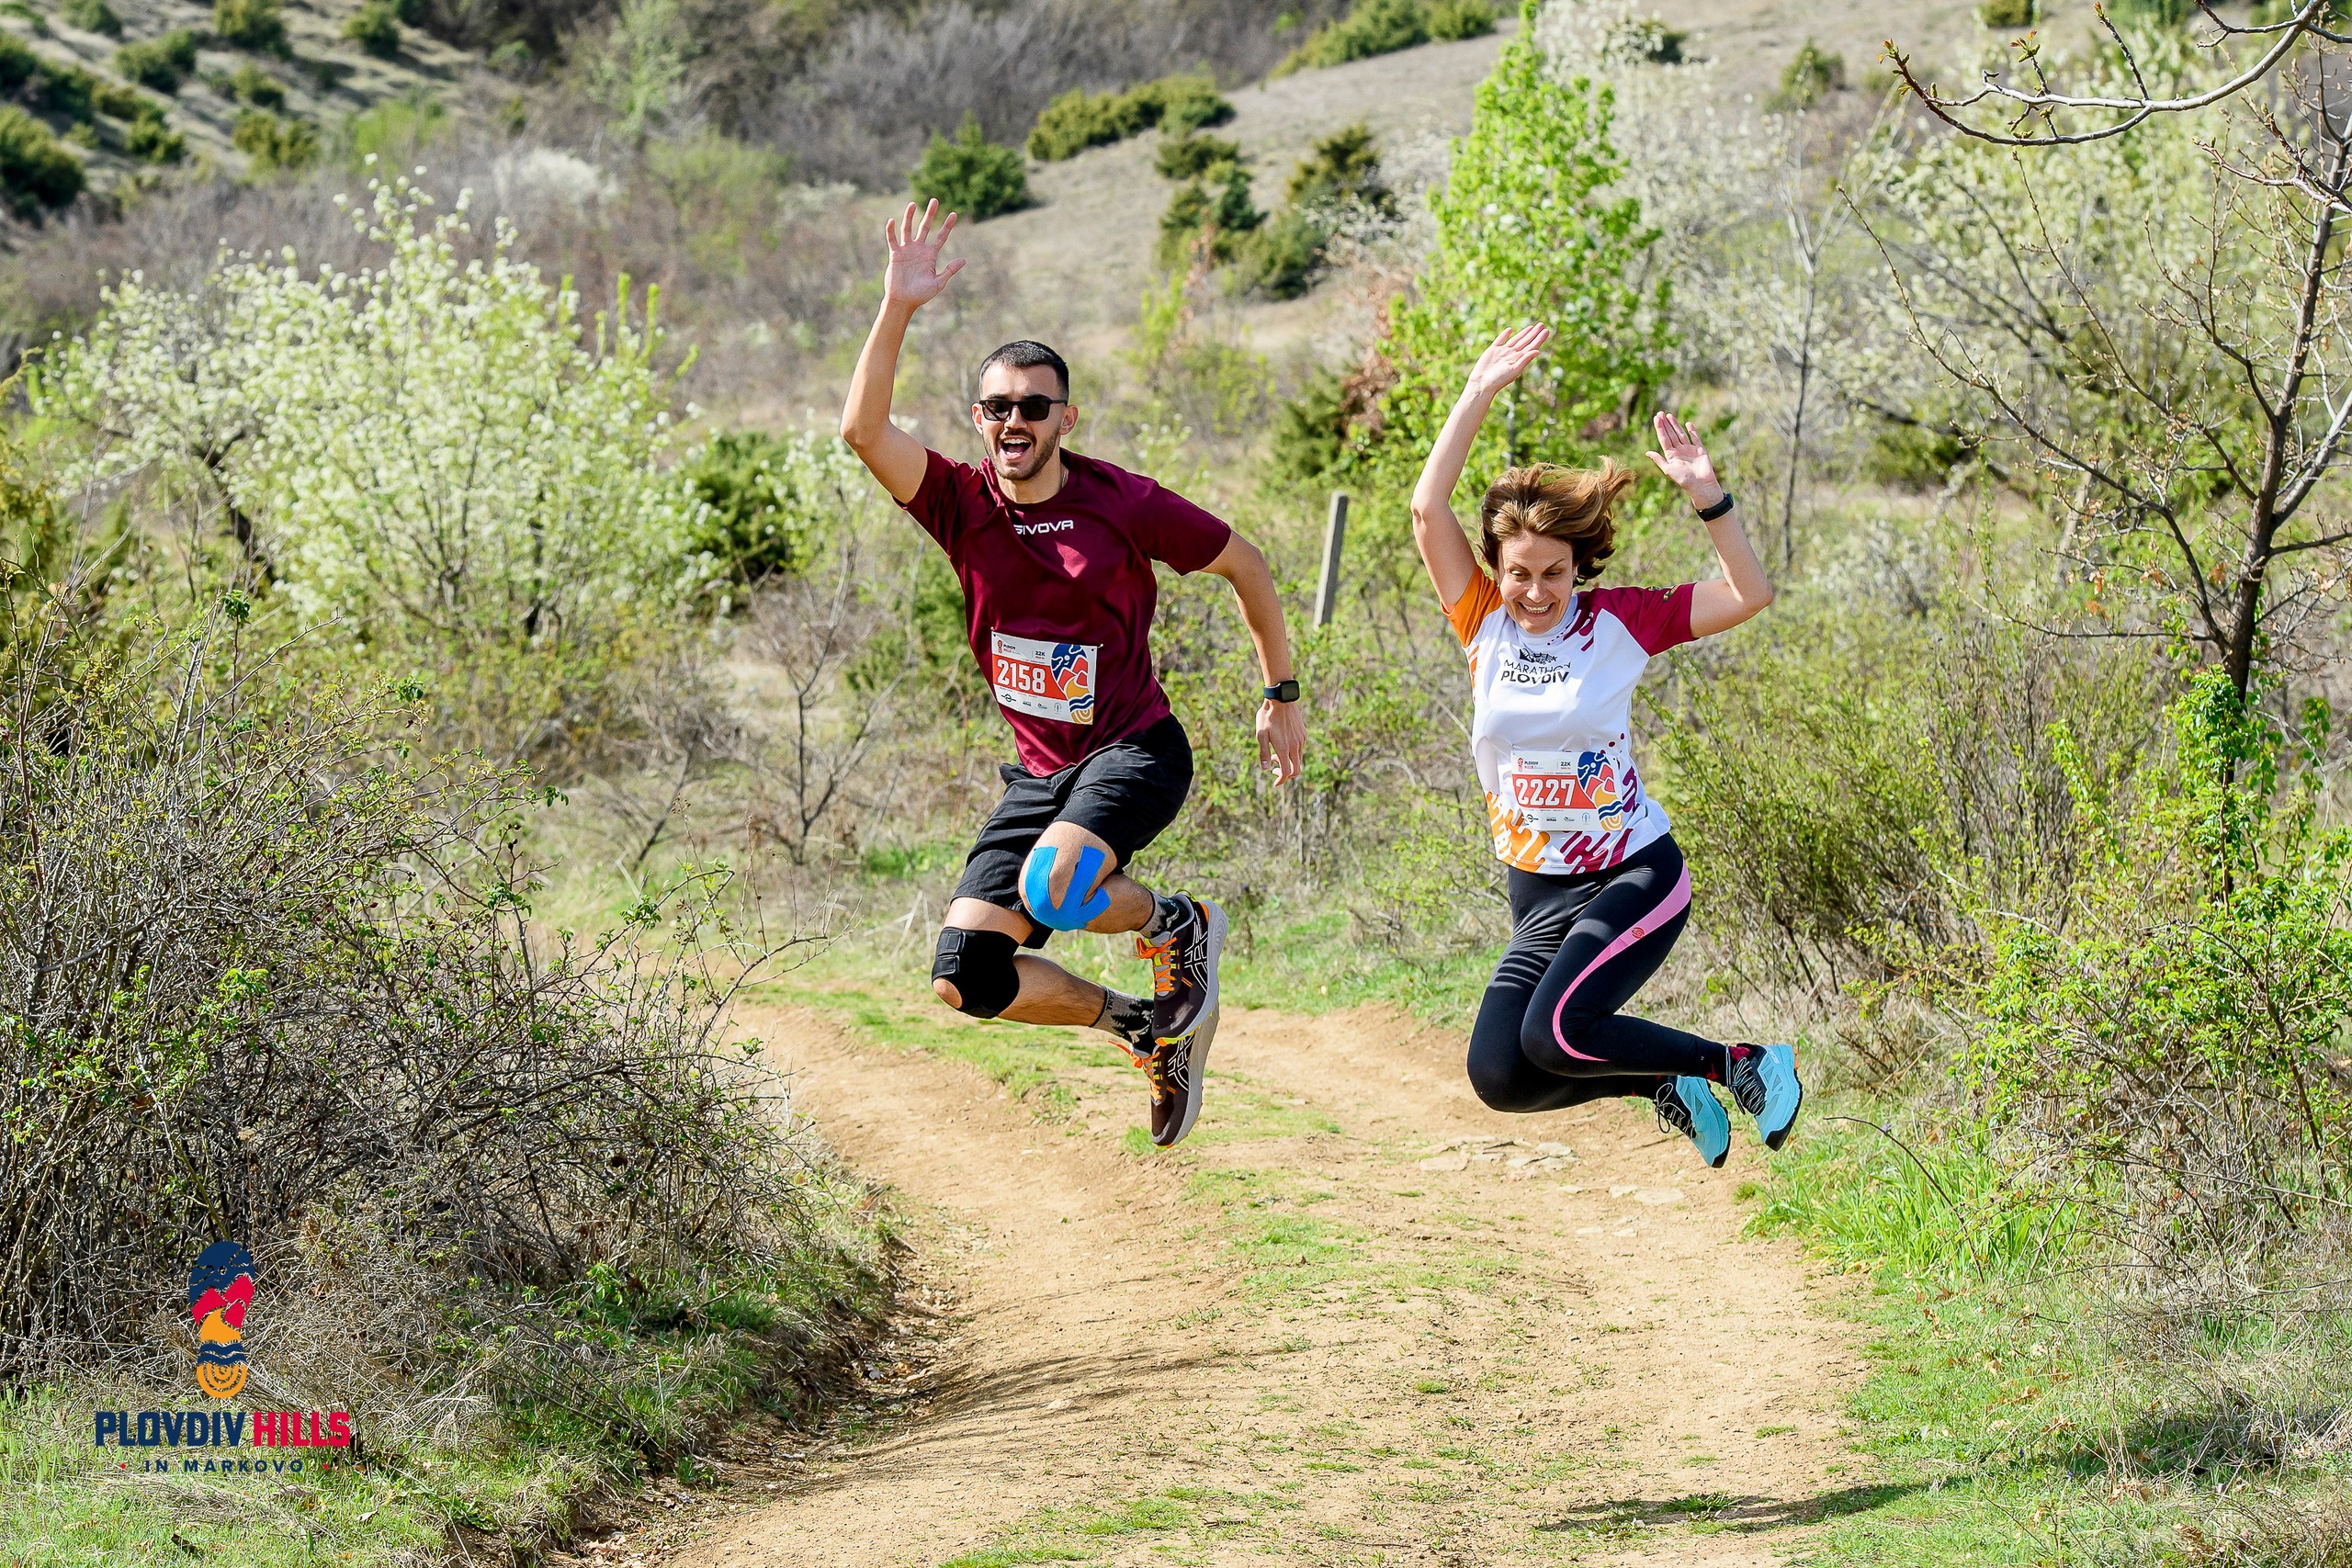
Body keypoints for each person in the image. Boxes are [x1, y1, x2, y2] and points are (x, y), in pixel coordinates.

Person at [838, 200, 1306, 1149]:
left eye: (1034, 406)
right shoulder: (955, 502)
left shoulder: (1122, 503)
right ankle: (1141, 1026)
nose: (1016, 421)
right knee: (965, 977)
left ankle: (1177, 924)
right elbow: (860, 429)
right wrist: (898, 307)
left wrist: (1279, 693)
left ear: (1065, 417)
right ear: (979, 420)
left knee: (1056, 892)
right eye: (999, 407)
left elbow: (1246, 565)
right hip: (1038, 775)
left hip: (1135, 749)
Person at [1408, 322, 1803, 1168]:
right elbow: (1426, 507)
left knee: (1557, 1031)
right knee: (1503, 1075)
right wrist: (1478, 391)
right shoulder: (1481, 624)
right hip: (1537, 891)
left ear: (1578, 567)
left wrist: (1708, 495)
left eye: (1554, 572)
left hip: (1632, 872)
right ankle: (1665, 1082)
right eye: (1519, 572)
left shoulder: (1619, 623)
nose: (1535, 589)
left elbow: (1750, 591)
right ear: (1496, 568)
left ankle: (1742, 1062)